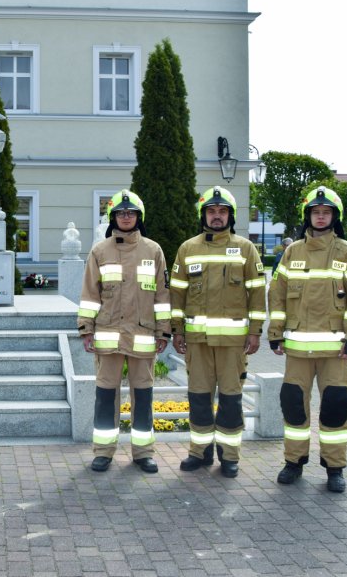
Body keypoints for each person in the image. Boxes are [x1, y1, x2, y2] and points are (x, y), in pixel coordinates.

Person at [268, 187, 347, 492]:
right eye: (316, 212)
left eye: (326, 212)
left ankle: (335, 468)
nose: (321, 216)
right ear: (308, 216)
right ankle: (293, 462)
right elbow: (277, 295)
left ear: (334, 217)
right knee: (293, 407)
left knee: (335, 407)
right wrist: (275, 333)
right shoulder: (292, 252)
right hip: (298, 350)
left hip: (335, 351)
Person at [168, 187, 266, 478]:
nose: (217, 216)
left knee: (231, 400)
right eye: (212, 211)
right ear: (204, 215)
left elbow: (257, 294)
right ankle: (199, 453)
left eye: (222, 211)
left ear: (230, 216)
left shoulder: (246, 248)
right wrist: (177, 331)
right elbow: (177, 295)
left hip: (233, 343)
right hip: (197, 341)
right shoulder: (187, 249)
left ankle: (230, 456)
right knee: (198, 398)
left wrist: (255, 332)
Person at [77, 190, 171, 473]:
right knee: (106, 395)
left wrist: (164, 331)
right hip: (107, 335)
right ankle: (103, 451)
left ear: (138, 217)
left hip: (143, 337)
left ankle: (143, 453)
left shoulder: (153, 251)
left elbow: (162, 296)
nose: (126, 217)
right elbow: (89, 295)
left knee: (143, 395)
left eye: (130, 213)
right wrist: (86, 329)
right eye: (120, 213)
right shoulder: (99, 251)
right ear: (112, 217)